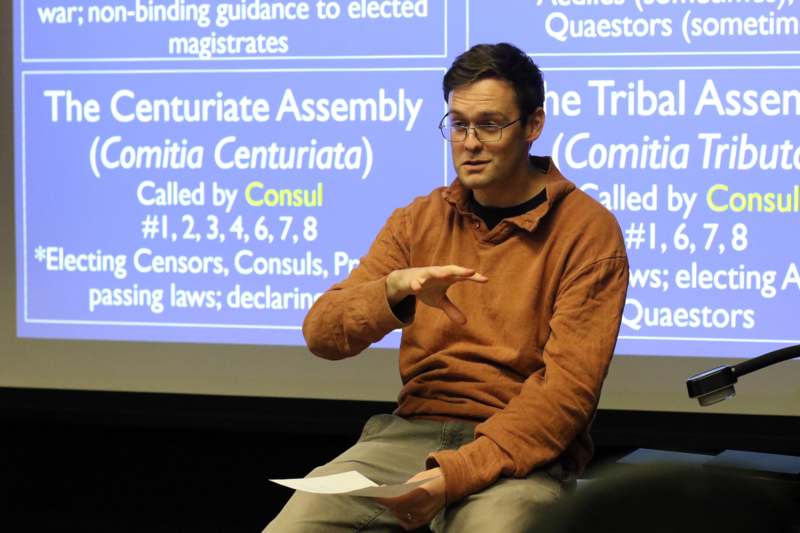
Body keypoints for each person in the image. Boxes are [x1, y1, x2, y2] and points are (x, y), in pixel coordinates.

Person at [264, 42, 629, 532]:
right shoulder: (419, 220)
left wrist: (453, 475)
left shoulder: (588, 231)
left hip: (519, 456)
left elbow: (565, 399)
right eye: (458, 125)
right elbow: (322, 334)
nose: (470, 142)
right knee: (300, 520)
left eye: (490, 125)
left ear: (533, 126)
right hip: (408, 438)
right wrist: (394, 289)